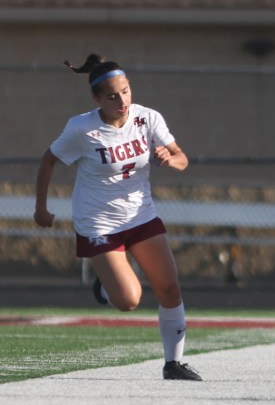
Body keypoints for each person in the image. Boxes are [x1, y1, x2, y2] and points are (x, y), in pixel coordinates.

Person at [34, 54, 202, 381]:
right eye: (112, 96)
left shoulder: (147, 118)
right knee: (128, 300)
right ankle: (106, 286)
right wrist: (40, 208)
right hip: (98, 222)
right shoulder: (81, 128)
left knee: (169, 287)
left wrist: (170, 158)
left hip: (141, 215)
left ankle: (173, 363)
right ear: (96, 99)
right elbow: (48, 161)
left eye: (125, 91)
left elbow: (183, 158)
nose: (122, 100)